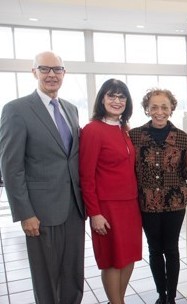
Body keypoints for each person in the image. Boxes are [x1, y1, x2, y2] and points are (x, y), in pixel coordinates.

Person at [0, 51, 85, 304]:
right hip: (41, 213)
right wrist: (25, 213)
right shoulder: (17, 110)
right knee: (46, 277)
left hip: (74, 208)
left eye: (57, 70)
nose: (51, 75)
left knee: (73, 273)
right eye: (45, 69)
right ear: (34, 72)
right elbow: (10, 166)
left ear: (64, 73)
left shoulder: (70, 109)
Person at [129, 88, 187, 304]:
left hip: (175, 202)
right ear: (147, 109)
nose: (160, 112)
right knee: (154, 249)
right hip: (146, 203)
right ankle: (161, 294)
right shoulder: (134, 136)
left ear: (172, 109)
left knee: (171, 248)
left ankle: (171, 297)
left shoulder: (181, 138)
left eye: (164, 107)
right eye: (154, 107)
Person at [79, 79, 142, 304]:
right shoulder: (93, 130)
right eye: (111, 96)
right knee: (113, 260)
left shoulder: (124, 130)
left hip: (130, 205)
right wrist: (94, 213)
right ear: (102, 99)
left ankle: (119, 300)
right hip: (107, 207)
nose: (117, 101)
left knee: (129, 257)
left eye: (121, 97)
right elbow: (86, 176)